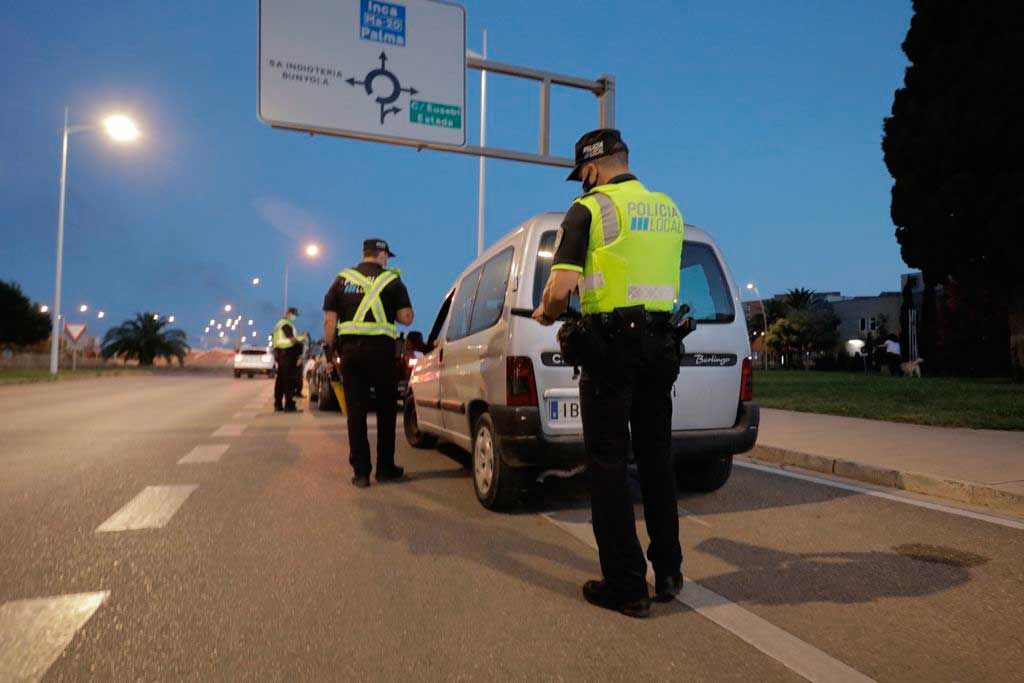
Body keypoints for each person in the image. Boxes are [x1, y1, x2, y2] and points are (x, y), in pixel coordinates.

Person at [532, 129, 685, 618]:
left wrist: (547, 311)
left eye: (581, 175)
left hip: (612, 348)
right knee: (658, 460)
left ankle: (626, 585)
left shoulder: (589, 210)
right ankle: (668, 573)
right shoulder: (668, 208)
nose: (580, 184)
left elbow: (561, 288)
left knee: (609, 465)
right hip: (663, 345)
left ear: (592, 168)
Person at [322, 238, 414, 488]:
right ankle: (385, 469)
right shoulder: (392, 280)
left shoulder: (341, 280)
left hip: (351, 353)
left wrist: (329, 354)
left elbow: (330, 322)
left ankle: (361, 473)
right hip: (382, 354)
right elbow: (406, 318)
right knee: (386, 410)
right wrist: (391, 308)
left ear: (365, 254)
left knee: (356, 412)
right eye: (387, 256)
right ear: (382, 255)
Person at [272, 307, 307, 412]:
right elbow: (292, 339)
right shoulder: (285, 324)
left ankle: (278, 404)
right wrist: (303, 337)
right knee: (289, 381)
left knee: (280, 381)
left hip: (282, 355)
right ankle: (289, 405)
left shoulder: (281, 324)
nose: (294, 317)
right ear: (288, 313)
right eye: (294, 314)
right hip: (287, 355)